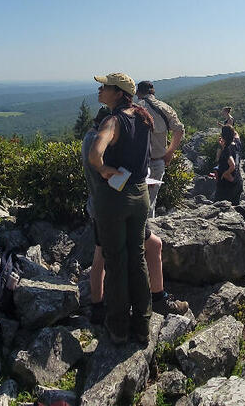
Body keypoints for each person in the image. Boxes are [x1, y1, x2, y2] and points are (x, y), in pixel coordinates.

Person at [81, 108, 188, 326]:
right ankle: (156, 298)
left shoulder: (88, 139)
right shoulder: (100, 143)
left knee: (102, 254)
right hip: (115, 206)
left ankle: (97, 306)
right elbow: (109, 175)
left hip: (98, 206)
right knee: (149, 247)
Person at [88, 72, 153, 344]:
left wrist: (103, 169)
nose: (100, 90)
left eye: (105, 87)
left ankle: (117, 328)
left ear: (118, 93)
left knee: (115, 262)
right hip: (141, 196)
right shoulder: (142, 117)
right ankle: (142, 325)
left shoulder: (113, 120)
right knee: (137, 259)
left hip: (115, 199)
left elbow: (95, 152)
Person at [135, 80, 185, 218]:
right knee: (151, 201)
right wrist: (169, 153)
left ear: (138, 93)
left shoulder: (134, 108)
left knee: (135, 202)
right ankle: (149, 233)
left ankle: (138, 235)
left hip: (137, 165)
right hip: (158, 161)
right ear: (153, 92)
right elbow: (179, 130)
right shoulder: (165, 108)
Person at [214, 124, 243, 205]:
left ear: (223, 136)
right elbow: (236, 134)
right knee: (236, 208)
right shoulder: (237, 144)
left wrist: (225, 174)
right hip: (238, 180)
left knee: (219, 208)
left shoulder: (227, 149)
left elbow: (232, 165)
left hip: (227, 185)